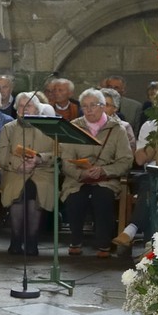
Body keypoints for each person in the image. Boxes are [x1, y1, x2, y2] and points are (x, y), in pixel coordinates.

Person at [58, 89, 135, 258]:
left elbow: (125, 160)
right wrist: (80, 173)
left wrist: (104, 170)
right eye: (85, 106)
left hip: (106, 179)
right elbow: (66, 159)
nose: (89, 110)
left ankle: (103, 243)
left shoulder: (117, 129)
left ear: (103, 107)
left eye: (93, 105)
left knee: (103, 197)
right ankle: (75, 240)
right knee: (75, 198)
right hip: (78, 178)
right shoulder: (73, 127)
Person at [0, 92, 56, 256]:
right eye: (21, 106)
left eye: (28, 105)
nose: (24, 109)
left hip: (42, 172)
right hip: (15, 172)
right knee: (19, 191)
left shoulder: (51, 127)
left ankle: (32, 240)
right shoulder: (9, 128)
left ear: (37, 109)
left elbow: (59, 154)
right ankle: (15, 239)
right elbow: (0, 155)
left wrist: (39, 159)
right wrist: (18, 165)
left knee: (34, 189)